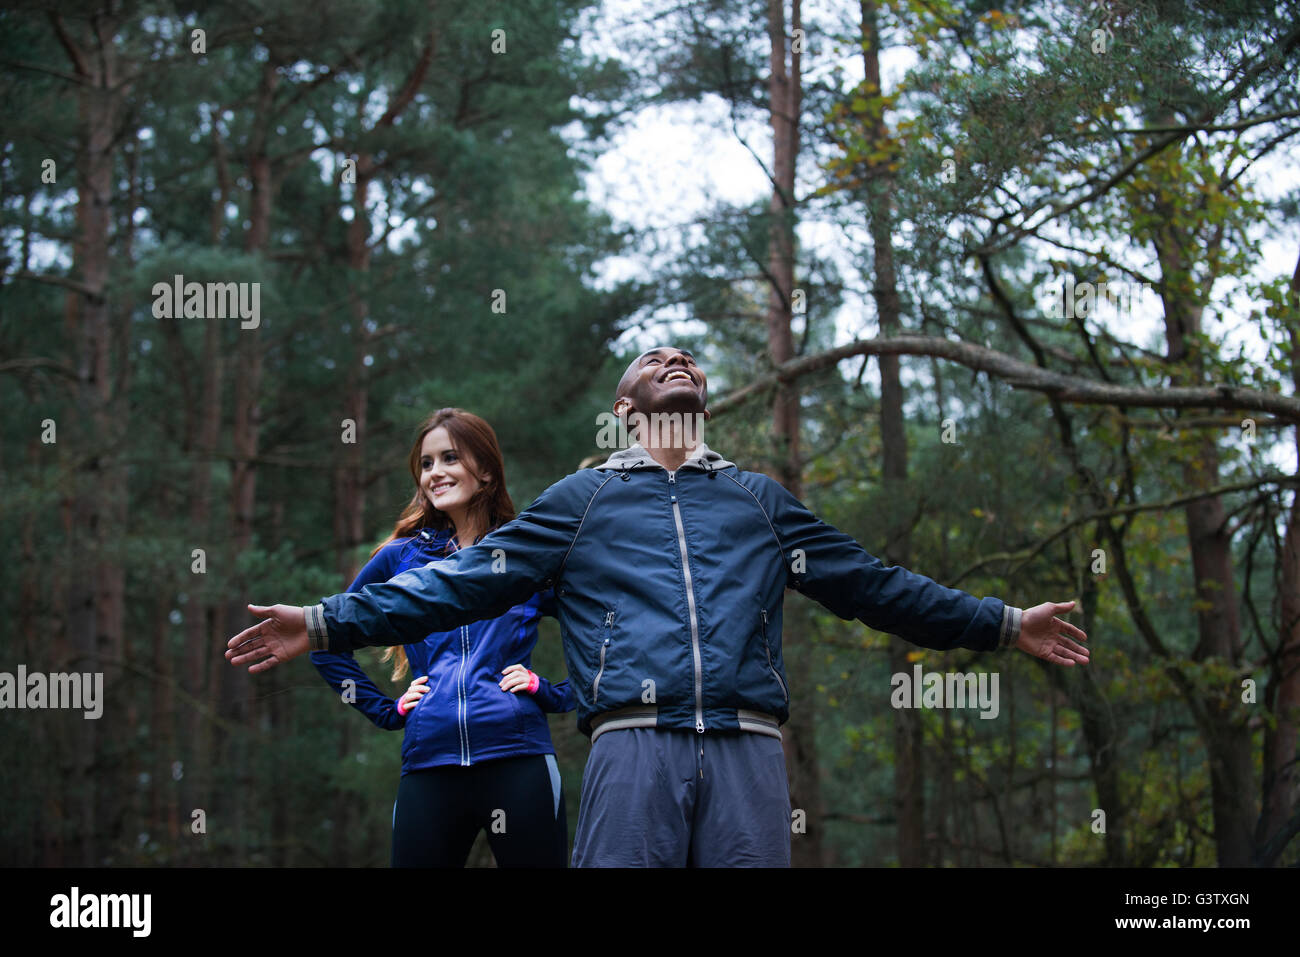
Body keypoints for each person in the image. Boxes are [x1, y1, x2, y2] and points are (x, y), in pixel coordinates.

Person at [228, 347, 1089, 867]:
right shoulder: (582, 502)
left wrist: (1005, 623)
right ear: (626, 409)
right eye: (653, 362)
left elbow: (875, 585)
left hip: (748, 748)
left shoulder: (759, 501)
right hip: (630, 750)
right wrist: (328, 620)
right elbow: (463, 579)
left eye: (687, 361)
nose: (674, 361)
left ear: (704, 399)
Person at [309, 407, 573, 867]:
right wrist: (387, 711)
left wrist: (553, 693)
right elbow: (327, 640)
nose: (435, 473)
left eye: (450, 458)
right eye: (426, 464)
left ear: (486, 472)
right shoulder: (399, 559)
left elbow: (603, 627)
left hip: (518, 758)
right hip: (429, 765)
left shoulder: (524, 555)